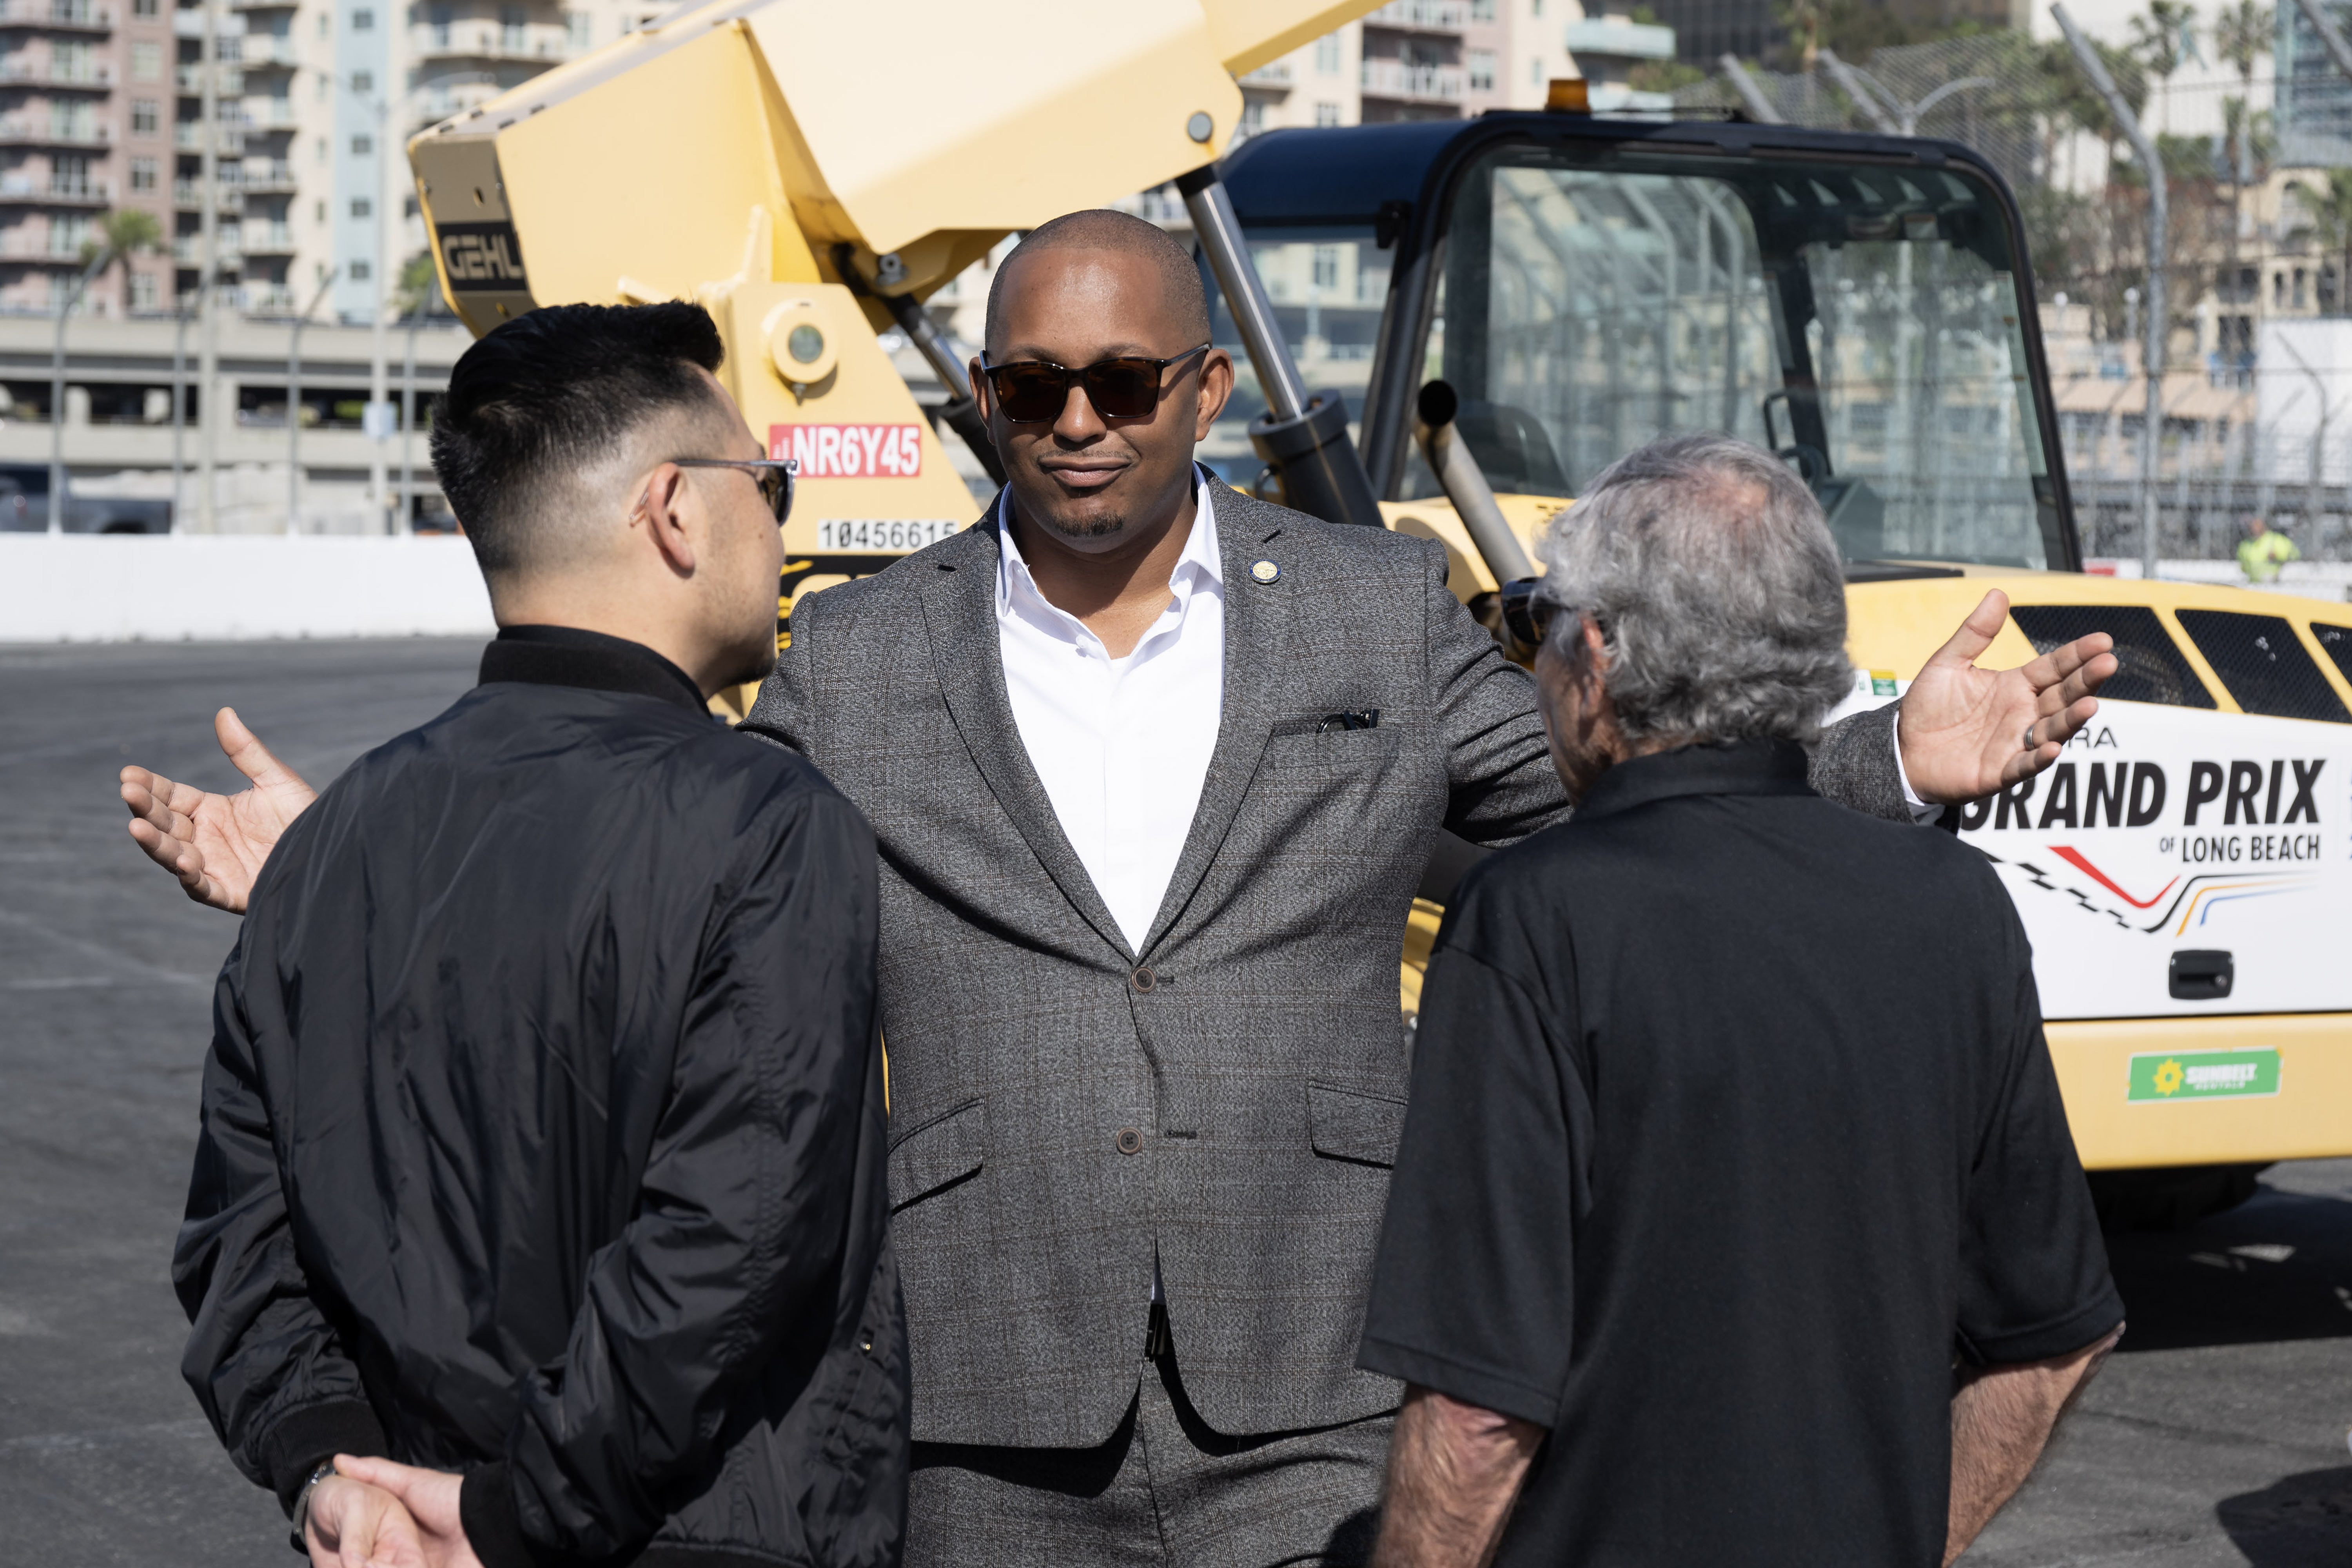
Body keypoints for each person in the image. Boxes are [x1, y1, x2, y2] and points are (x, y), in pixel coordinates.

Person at [122, 212, 2116, 1566]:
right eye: (1030, 386)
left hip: (1316, 1387)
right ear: (985, 395)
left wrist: (1875, 764)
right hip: (983, 1407)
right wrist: (357, 872)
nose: (1076, 420)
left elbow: (1606, 818)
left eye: (1124, 382)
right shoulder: (857, 654)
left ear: (1210, 386)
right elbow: (659, 904)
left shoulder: (1377, 611)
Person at [165, 303, 906, 1568]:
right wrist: (519, 1514)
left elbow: (241, 1238)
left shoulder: (331, 839)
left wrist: (332, 1476)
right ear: (673, 509)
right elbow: (727, 1253)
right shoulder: (767, 824)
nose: (783, 524)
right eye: (769, 484)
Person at [1356, 433, 2125, 1568]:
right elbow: (2056, 1338)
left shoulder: (1537, 915)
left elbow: (1476, 1416)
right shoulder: (1954, 904)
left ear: (1601, 653)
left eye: (1542, 619)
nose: (1538, 653)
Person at [2238, 513, 2300, 584]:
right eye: (2253, 526)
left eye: (2257, 525)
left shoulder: (2275, 540)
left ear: (2264, 526)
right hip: (2253, 583)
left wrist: (2278, 556)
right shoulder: (2245, 545)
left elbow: (2295, 555)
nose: (2254, 529)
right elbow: (2243, 567)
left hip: (2274, 583)